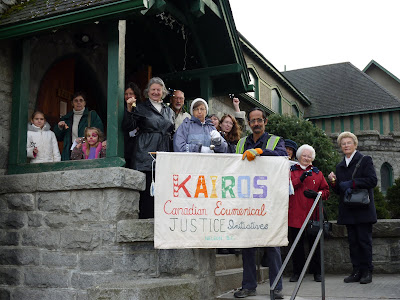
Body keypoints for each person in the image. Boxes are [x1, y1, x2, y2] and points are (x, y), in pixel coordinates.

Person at [234, 107, 286, 299]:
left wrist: (260, 151)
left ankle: (277, 288)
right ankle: (248, 286)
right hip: (246, 201)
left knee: (272, 245)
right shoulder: (240, 143)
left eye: (259, 120)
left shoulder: (275, 141)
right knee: (247, 245)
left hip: (268, 200)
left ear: (265, 121)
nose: (256, 123)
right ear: (248, 123)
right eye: (252, 121)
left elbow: (282, 157)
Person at [328, 132, 377, 284]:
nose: (346, 145)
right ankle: (356, 271)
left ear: (355, 144)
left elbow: (372, 181)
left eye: (349, 143)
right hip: (349, 209)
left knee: (364, 242)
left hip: (363, 209)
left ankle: (367, 271)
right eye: (343, 143)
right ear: (340, 147)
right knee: (353, 243)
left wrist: (352, 183)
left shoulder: (365, 160)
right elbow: (339, 191)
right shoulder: (340, 165)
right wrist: (334, 183)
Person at [122, 77, 175, 219]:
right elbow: (128, 126)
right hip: (145, 153)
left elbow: (172, 131)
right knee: (146, 192)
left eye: (159, 90)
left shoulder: (169, 111)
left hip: (163, 153)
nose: (156, 92)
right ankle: (145, 222)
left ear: (163, 92)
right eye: (153, 89)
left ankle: (160, 221)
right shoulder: (140, 108)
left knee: (161, 190)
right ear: (148, 92)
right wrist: (129, 109)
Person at [288, 144, 330, 283]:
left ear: (312, 158)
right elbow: (286, 187)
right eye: (304, 155)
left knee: (315, 245)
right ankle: (297, 272)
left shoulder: (318, 173)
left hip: (313, 215)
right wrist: (300, 179)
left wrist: (317, 194)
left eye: (309, 156)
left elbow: (326, 192)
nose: (306, 158)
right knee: (296, 245)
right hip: (295, 214)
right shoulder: (291, 171)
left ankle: (317, 272)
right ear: (299, 156)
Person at [54, 91, 104, 161]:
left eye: (81, 100)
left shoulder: (92, 116)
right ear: (72, 103)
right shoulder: (67, 118)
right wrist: (59, 128)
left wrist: (83, 139)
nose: (78, 103)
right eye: (76, 101)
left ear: (85, 103)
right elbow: (58, 137)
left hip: (87, 152)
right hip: (70, 153)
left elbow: (99, 134)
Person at [122, 82, 142, 169]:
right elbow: (126, 126)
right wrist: (129, 108)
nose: (128, 96)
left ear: (136, 95)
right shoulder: (121, 108)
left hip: (137, 146)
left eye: (131, 93)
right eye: (126, 94)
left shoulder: (141, 108)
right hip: (125, 145)